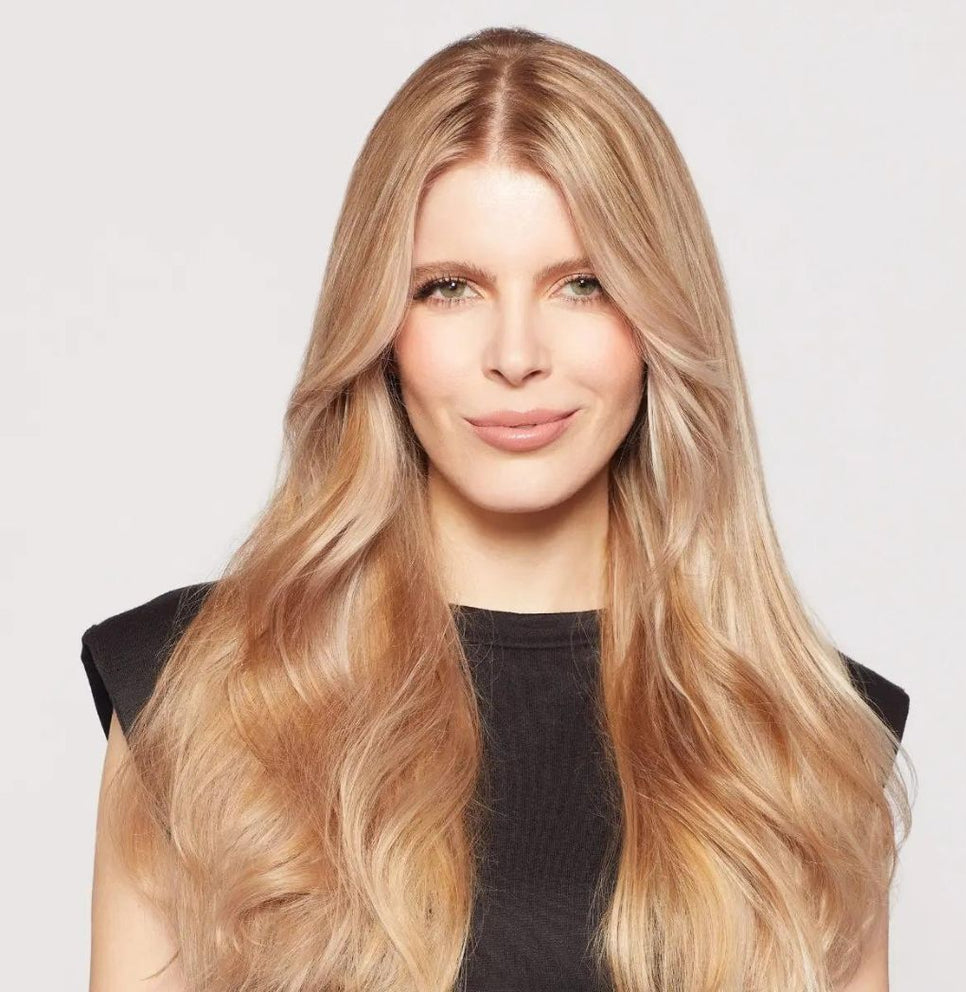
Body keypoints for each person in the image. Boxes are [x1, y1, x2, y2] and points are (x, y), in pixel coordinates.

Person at [80, 25, 913, 992]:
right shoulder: (196, 694)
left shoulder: (810, 740)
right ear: (379, 326)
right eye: (451, 289)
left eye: (583, 285)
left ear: (660, 319)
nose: (516, 355)